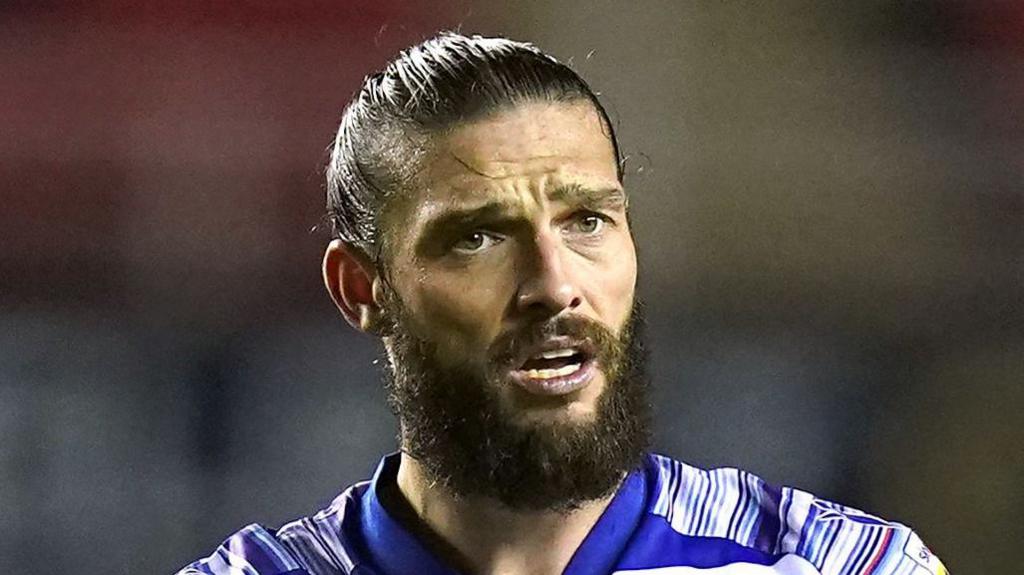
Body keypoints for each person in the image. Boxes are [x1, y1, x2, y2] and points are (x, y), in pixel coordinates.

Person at [177, 33, 948, 575]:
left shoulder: (841, 564)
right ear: (362, 289)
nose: (553, 283)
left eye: (587, 221)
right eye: (478, 237)